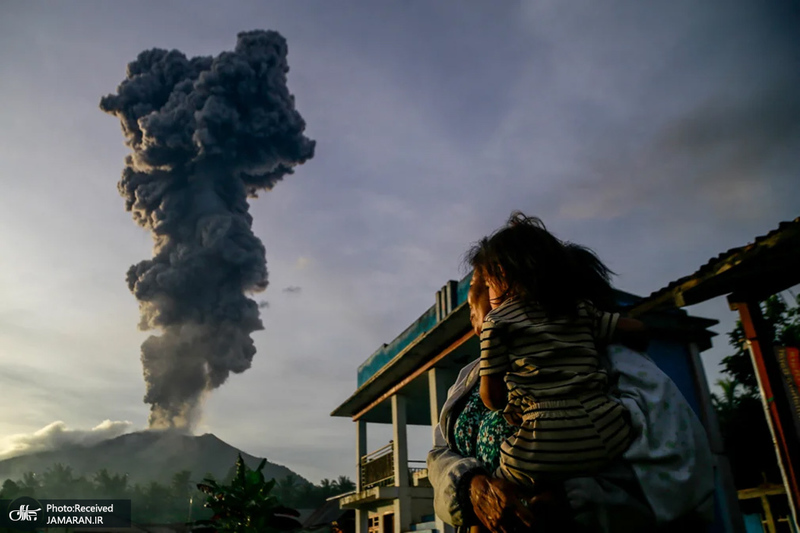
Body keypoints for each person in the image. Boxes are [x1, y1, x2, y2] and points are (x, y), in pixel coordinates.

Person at [427, 218, 715, 532]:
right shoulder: (469, 378)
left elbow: (680, 477)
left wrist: (573, 502)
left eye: (482, 287)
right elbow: (440, 454)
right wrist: (471, 488)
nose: (473, 304)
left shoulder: (616, 365)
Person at [469, 213, 646, 489]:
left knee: (498, 488)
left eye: (488, 284)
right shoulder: (580, 310)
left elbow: (491, 398)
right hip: (607, 431)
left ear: (502, 275)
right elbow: (635, 329)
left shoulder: (498, 322)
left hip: (543, 441)